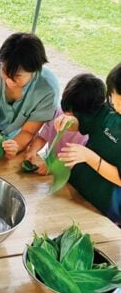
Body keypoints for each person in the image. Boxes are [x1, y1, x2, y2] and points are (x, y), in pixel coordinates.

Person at [0, 32, 60, 159]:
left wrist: (16, 146)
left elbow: (28, 131)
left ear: (35, 70)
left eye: (17, 76)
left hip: (21, 140)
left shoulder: (48, 89)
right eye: (5, 71)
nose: (9, 81)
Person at [55, 64, 121, 224]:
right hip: (76, 191)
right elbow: (86, 123)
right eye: (111, 95)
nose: (112, 102)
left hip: (104, 209)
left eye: (116, 96)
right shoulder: (111, 111)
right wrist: (69, 122)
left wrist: (90, 157)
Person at [24, 74, 98, 174]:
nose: (67, 116)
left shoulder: (89, 131)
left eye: (73, 114)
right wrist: (33, 150)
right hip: (48, 164)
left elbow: (79, 162)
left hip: (69, 173)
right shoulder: (58, 112)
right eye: (66, 110)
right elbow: (43, 137)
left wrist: (54, 168)